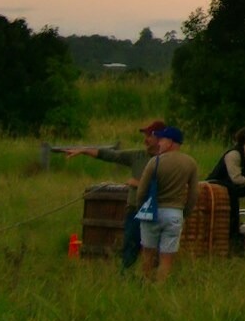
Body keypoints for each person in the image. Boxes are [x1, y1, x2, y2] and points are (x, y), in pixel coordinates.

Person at [62, 120, 162, 270]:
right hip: (135, 209)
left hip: (157, 210)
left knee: (155, 249)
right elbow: (110, 155)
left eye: (149, 136)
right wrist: (84, 150)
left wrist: (138, 183)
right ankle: (125, 276)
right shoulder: (137, 156)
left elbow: (168, 184)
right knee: (129, 246)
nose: (145, 140)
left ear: (159, 138)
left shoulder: (167, 160)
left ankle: (153, 278)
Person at [132, 127, 198, 282]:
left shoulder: (154, 162)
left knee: (147, 254)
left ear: (170, 142)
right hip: (175, 213)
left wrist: (140, 208)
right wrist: (184, 213)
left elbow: (141, 191)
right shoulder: (190, 163)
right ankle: (160, 289)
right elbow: (194, 194)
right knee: (166, 258)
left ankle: (146, 285)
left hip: (152, 213)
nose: (159, 143)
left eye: (162, 140)